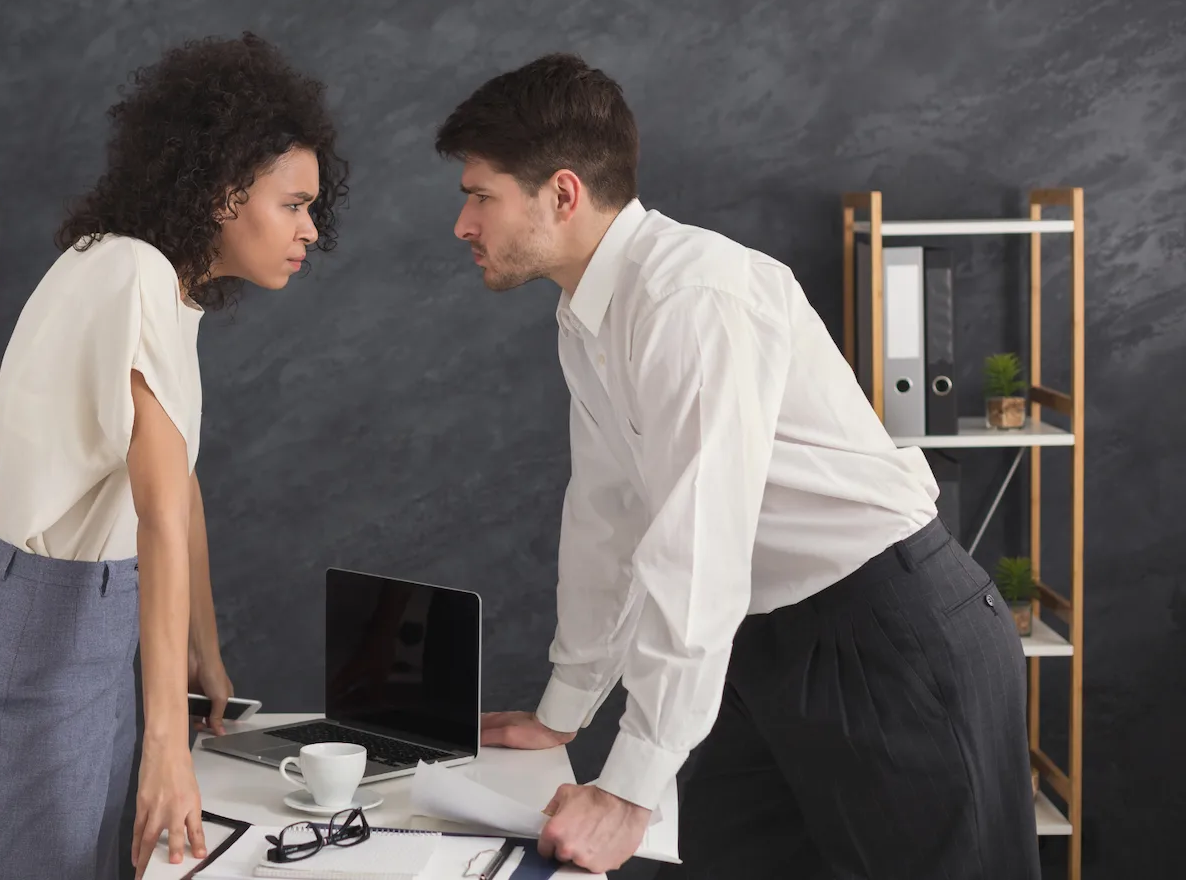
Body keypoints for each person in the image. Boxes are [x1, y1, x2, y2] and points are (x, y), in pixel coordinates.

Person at [434, 53, 1040, 879]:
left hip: (890, 632)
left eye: (480, 196)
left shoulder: (692, 298)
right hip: (767, 644)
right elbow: (609, 517)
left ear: (563, 193)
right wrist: (567, 709)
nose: (464, 224)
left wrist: (628, 790)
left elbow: (699, 540)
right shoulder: (588, 318)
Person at [0, 32, 348, 880]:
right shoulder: (130, 275)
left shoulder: (152, 283)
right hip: (38, 653)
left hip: (93, 638)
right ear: (228, 191)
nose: (312, 228)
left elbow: (173, 489)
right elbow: (158, 509)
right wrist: (168, 746)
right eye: (295, 202)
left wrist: (202, 647)